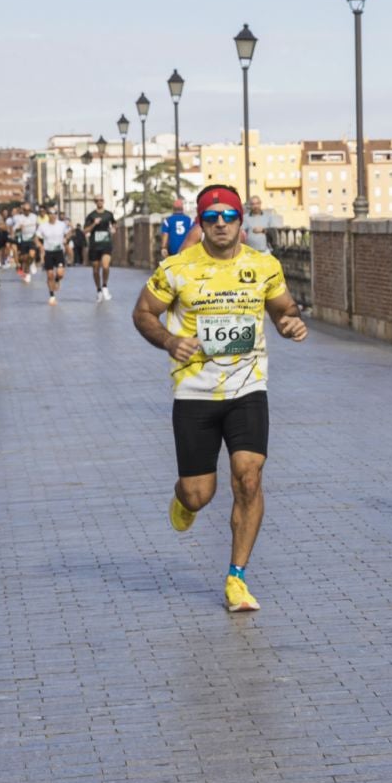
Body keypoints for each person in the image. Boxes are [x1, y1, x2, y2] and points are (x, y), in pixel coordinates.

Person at [131, 185, 306, 613]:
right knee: (199, 494)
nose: (222, 224)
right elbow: (142, 313)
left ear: (241, 221)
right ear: (201, 223)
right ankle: (183, 498)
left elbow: (284, 308)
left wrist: (289, 323)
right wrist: (170, 341)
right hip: (194, 393)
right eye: (212, 217)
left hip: (248, 388)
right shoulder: (177, 268)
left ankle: (237, 578)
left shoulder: (264, 266)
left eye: (229, 216)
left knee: (249, 476)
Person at [83, 197, 117, 301]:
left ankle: (105, 286)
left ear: (104, 201)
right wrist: (94, 224)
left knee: (106, 266)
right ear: (95, 202)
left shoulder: (109, 214)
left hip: (106, 244)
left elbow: (114, 224)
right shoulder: (91, 215)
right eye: (97, 200)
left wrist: (113, 228)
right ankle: (98, 290)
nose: (99, 201)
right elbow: (85, 230)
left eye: (101, 200)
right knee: (95, 270)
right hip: (94, 245)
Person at [37, 208, 70, 305]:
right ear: (48, 215)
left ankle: (57, 280)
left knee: (60, 274)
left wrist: (66, 239)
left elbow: (68, 233)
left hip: (59, 252)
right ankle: (52, 295)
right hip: (48, 252)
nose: (53, 215)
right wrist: (40, 246)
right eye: (50, 213)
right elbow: (36, 238)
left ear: (57, 215)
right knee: (49, 274)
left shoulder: (61, 225)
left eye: (55, 213)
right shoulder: (43, 226)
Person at [10, 206, 38, 283]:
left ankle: (30, 266)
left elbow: (38, 225)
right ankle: (27, 272)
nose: (27, 211)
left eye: (28, 210)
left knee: (32, 255)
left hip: (31, 239)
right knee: (25, 258)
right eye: (25, 210)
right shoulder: (20, 218)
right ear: (23, 210)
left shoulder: (34, 216)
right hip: (23, 240)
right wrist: (19, 228)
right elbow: (14, 229)